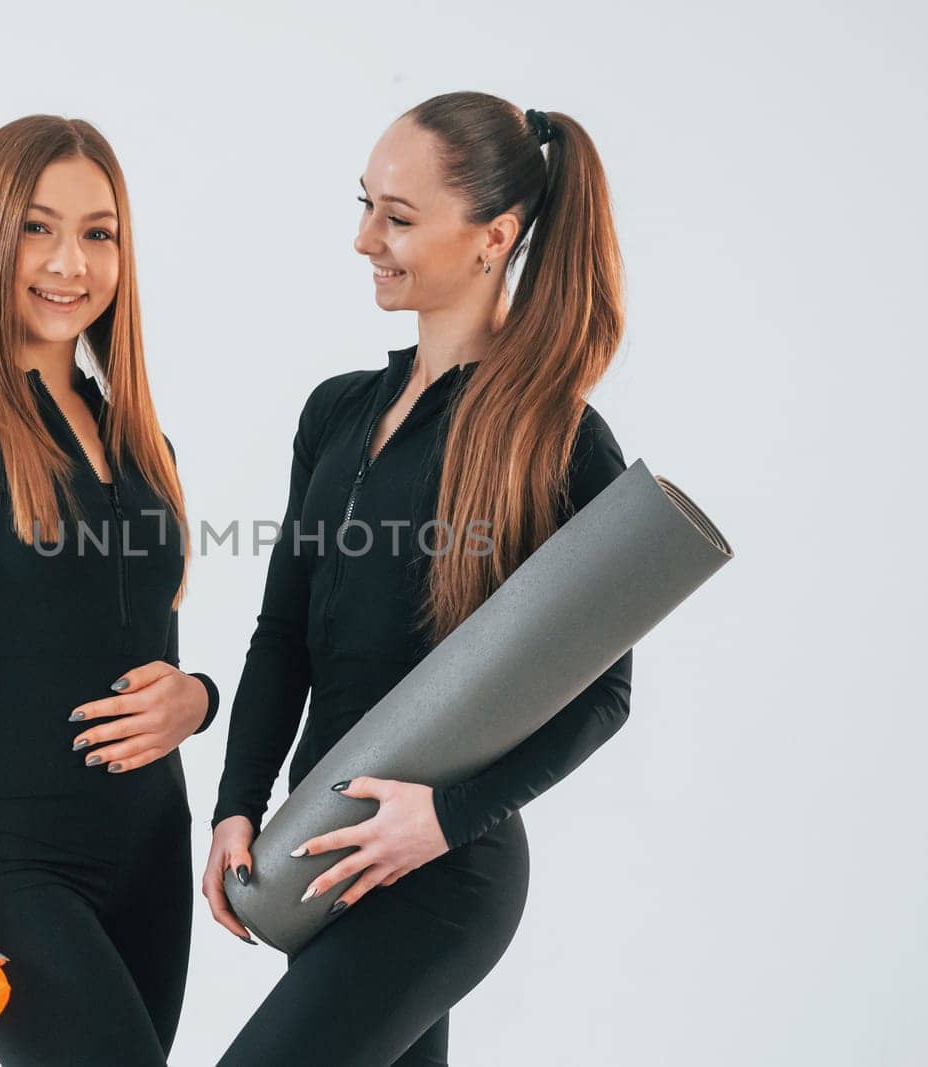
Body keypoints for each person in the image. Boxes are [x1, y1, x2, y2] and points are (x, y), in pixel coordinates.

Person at [202, 93, 636, 1065]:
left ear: (494, 237)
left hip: (444, 878)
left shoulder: (554, 440)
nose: (364, 239)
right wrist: (238, 802)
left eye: (396, 217)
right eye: (364, 205)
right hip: (320, 861)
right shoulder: (336, 413)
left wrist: (442, 817)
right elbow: (283, 635)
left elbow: (605, 690)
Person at [0, 114, 220, 1065]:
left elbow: (155, 661)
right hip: (12, 865)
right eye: (37, 227)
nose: (70, 262)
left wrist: (200, 699)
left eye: (98, 232)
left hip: (152, 858)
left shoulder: (145, 446)